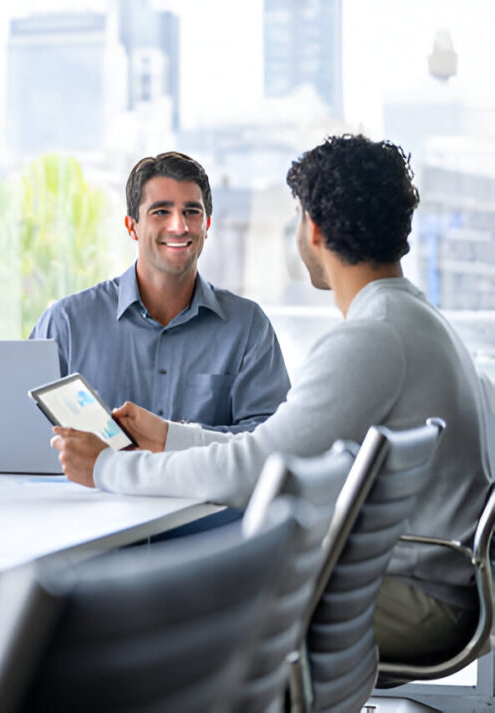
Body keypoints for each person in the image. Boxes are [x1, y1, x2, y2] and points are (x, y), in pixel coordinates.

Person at [51, 134, 490, 660]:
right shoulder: (415, 322)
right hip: (430, 582)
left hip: (414, 599)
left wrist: (107, 468)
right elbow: (277, 447)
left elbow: (260, 468)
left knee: (160, 614)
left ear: (314, 229)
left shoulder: (372, 340)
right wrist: (169, 438)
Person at [31, 151, 290, 433]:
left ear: (207, 226)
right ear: (132, 227)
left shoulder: (247, 325)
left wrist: (173, 438)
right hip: (91, 480)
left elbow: (271, 437)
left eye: (192, 212)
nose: (179, 226)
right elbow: (27, 430)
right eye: (161, 212)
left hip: (199, 479)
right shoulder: (67, 323)